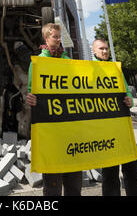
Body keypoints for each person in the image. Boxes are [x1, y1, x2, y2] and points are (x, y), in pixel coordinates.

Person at [26, 23, 83, 196]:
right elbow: (31, 90)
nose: (58, 40)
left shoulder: (69, 62)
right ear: (46, 37)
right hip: (50, 131)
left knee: (74, 184)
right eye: (55, 37)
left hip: (71, 129)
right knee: (52, 186)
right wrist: (31, 98)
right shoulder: (37, 63)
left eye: (59, 37)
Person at [92, 38, 137, 196]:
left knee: (132, 171)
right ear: (94, 51)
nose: (105, 51)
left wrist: (130, 100)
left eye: (106, 48)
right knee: (110, 174)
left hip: (123, 128)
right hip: (105, 131)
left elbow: (126, 93)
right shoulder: (89, 69)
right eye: (101, 48)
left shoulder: (116, 69)